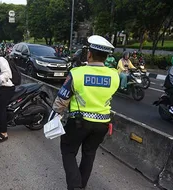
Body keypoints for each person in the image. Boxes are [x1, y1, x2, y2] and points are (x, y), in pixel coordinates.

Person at [49, 35, 120, 190]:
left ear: (89, 54)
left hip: (79, 123)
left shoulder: (77, 73)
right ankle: (82, 185)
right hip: (102, 123)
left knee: (68, 151)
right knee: (89, 154)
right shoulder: (114, 75)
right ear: (106, 56)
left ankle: (75, 187)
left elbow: (62, 99)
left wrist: (53, 118)